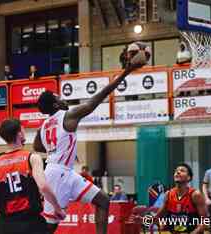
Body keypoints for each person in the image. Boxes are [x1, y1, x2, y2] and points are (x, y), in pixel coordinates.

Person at [33, 61, 143, 234]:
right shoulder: (68, 115)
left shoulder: (44, 125)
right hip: (58, 174)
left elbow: (37, 145)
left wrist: (55, 149)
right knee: (49, 226)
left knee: (103, 200)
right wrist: (125, 72)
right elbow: (95, 101)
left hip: (64, 171)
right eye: (58, 98)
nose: (63, 99)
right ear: (55, 105)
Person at [0, 119, 65, 234]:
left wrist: (5, 216)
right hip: (31, 222)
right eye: (23, 129)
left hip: (7, 225)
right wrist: (57, 208)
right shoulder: (32, 158)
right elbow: (43, 187)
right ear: (19, 134)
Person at [154, 163, 207, 233]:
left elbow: (205, 222)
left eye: (182, 171)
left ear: (189, 177)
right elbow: (157, 218)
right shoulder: (168, 194)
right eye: (176, 171)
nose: (178, 172)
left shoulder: (195, 195)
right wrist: (144, 220)